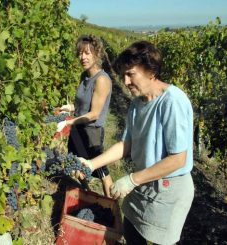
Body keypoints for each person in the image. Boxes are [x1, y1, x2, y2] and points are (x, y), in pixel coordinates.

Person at [76, 40, 194, 245]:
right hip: (143, 182)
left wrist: (131, 180)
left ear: (151, 71)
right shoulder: (137, 104)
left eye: (131, 74)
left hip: (168, 190)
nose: (126, 81)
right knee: (131, 232)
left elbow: (178, 159)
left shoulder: (172, 101)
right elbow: (126, 144)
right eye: (123, 75)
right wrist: (92, 164)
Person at [58, 34, 113, 197]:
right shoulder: (85, 76)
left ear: (97, 54)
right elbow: (82, 105)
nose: (83, 57)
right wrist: (69, 108)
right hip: (78, 128)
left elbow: (94, 114)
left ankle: (110, 205)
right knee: (77, 165)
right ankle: (88, 195)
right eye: (80, 53)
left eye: (87, 53)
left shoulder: (101, 80)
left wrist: (68, 123)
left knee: (102, 173)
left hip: (91, 132)